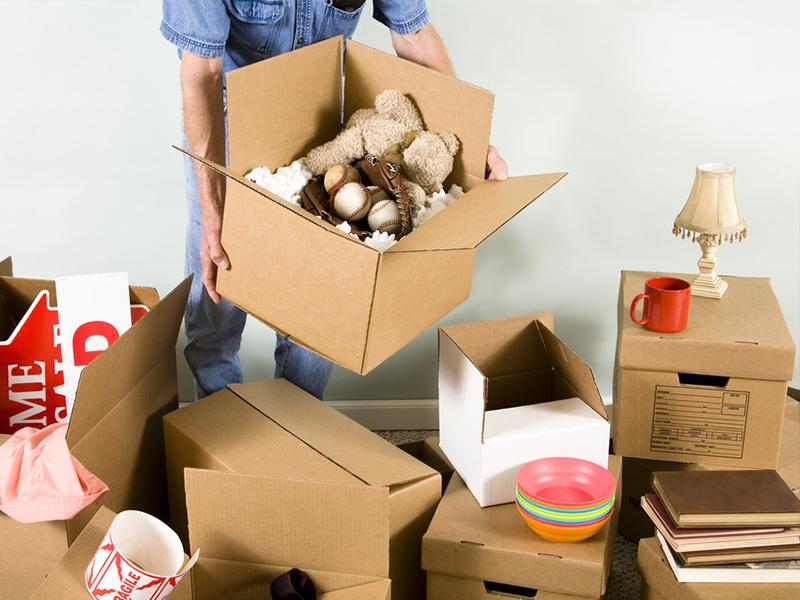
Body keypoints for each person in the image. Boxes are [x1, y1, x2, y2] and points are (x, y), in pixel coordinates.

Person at [161, 0, 508, 400]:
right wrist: (212, 207)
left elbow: (413, 33)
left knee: (322, 295)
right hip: (227, 117)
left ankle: (299, 421)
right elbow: (202, 71)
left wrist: (468, 145)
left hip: (319, 115)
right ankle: (216, 414)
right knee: (218, 281)